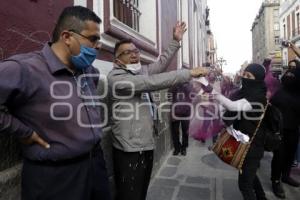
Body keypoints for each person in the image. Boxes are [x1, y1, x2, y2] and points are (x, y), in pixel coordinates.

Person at [0, 6, 111, 200]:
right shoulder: (25, 69)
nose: (99, 45)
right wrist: (22, 131)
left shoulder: (88, 71)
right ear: (67, 37)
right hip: (56, 178)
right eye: (93, 39)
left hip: (95, 165)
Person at [107, 22, 208, 200]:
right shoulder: (117, 78)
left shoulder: (140, 72)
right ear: (117, 61)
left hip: (145, 144)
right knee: (129, 194)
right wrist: (189, 73)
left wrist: (175, 41)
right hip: (128, 149)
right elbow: (152, 82)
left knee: (141, 192)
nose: (134, 55)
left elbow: (160, 65)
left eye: (136, 51)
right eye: (127, 53)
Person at [214, 64, 268, 200]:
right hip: (243, 143)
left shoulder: (258, 98)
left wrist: (212, 92)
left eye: (249, 76)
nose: (245, 78)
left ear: (258, 79)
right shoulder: (242, 94)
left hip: (253, 147)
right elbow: (226, 112)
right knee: (251, 175)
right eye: (244, 75)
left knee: (244, 184)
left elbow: (232, 106)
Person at [270, 59, 300, 199]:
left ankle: (285, 176)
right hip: (280, 132)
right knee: (279, 157)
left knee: (290, 155)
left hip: (293, 129)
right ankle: (275, 181)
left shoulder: (297, 94)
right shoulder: (279, 95)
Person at [170, 82, 193, 156]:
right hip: (175, 111)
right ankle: (177, 148)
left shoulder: (189, 85)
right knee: (175, 131)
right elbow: (169, 94)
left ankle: (184, 148)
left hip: (186, 112)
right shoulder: (174, 84)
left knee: (185, 131)